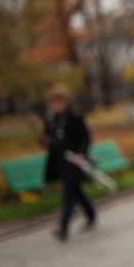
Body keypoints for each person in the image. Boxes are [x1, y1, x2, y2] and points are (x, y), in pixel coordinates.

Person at [41, 83, 96, 241]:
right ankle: (91, 214)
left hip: (73, 161)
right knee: (76, 192)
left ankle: (63, 228)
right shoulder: (51, 119)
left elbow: (85, 137)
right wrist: (45, 141)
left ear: (65, 102)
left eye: (59, 102)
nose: (56, 105)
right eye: (53, 102)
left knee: (68, 193)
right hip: (59, 162)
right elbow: (47, 137)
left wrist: (81, 153)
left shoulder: (73, 116)